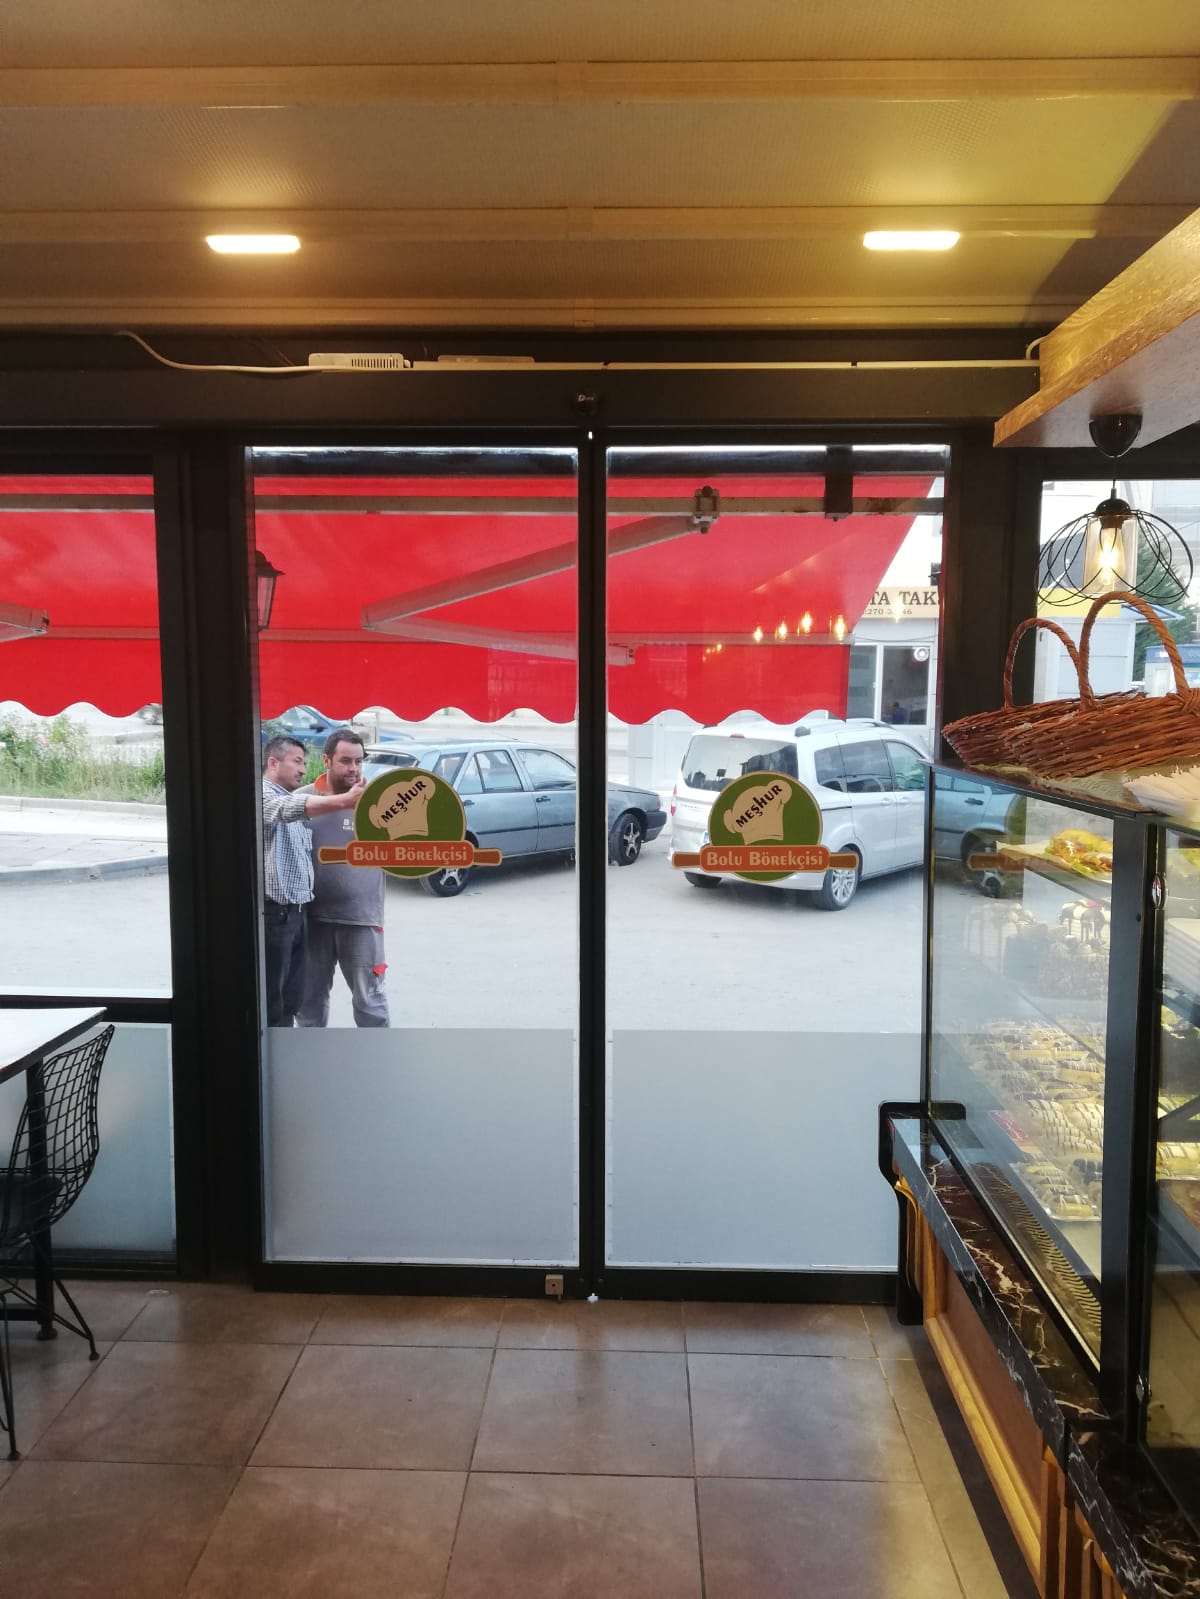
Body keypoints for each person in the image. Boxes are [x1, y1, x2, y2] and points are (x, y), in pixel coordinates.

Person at [261, 734, 363, 1028]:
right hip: (275, 915)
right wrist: (344, 800)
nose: (303, 769)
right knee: (272, 1002)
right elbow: (285, 810)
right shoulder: (263, 795)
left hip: (298, 914)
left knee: (292, 998)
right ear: (273, 763)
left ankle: (286, 1049)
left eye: (304, 763)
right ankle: (272, 1053)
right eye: (297, 762)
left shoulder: (288, 797)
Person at [297, 729, 390, 1028]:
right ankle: (311, 1056)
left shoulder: (378, 802)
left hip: (362, 920)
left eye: (359, 761)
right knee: (308, 1004)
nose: (354, 768)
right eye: (346, 761)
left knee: (370, 1003)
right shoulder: (303, 801)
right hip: (311, 920)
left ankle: (375, 1056)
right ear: (326, 760)